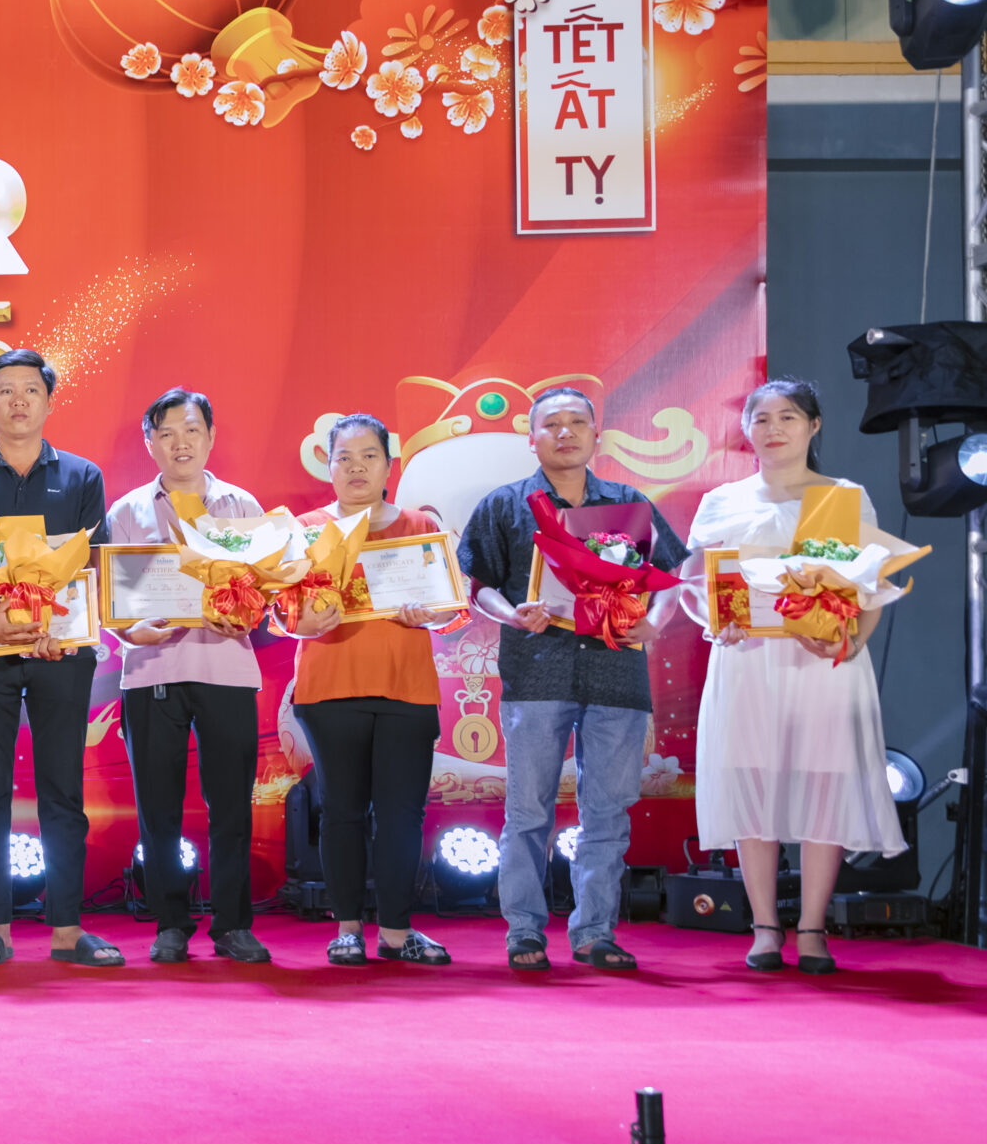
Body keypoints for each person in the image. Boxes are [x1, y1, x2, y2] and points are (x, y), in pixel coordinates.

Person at [459, 386, 688, 972]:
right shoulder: (506, 504)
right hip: (537, 671)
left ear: (595, 435)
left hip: (617, 673)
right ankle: (524, 932)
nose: (565, 433)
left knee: (607, 813)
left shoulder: (628, 503)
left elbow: (673, 571)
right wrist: (512, 614)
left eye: (576, 423)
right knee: (528, 812)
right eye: (552, 424)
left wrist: (655, 623)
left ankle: (594, 933)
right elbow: (477, 584)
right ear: (531, 438)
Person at [683, 381, 905, 974]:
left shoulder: (841, 497)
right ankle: (764, 928)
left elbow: (871, 585)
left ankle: (812, 928)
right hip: (748, 659)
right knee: (751, 779)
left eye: (788, 417)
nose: (774, 428)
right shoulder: (722, 500)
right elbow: (696, 582)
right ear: (746, 430)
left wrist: (850, 642)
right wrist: (716, 623)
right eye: (761, 418)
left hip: (822, 664)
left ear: (814, 425)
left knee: (823, 784)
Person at [0, 349, 119, 966]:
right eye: (5, 390)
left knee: (63, 787)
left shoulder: (82, 476)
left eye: (30, 390)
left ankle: (66, 930)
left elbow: (92, 565)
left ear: (48, 401)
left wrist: (66, 627)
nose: (18, 401)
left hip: (61, 651)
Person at [280, 414, 465, 965]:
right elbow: (281, 613)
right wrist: (302, 622)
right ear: (328, 466)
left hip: (407, 688)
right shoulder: (305, 530)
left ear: (389, 465)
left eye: (369, 456)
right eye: (345, 457)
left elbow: (453, 610)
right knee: (341, 812)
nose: (356, 468)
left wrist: (431, 614)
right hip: (330, 687)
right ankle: (346, 929)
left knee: (402, 815)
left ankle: (396, 932)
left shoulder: (418, 526)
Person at [104, 388, 274, 965]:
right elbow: (112, 601)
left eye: (192, 430)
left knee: (231, 806)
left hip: (226, 667)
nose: (181, 443)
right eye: (168, 432)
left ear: (211, 437)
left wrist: (246, 611)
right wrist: (130, 633)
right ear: (149, 441)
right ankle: (170, 924)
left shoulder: (241, 506)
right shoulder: (127, 512)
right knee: (159, 809)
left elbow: (264, 586)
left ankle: (233, 925)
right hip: (152, 669)